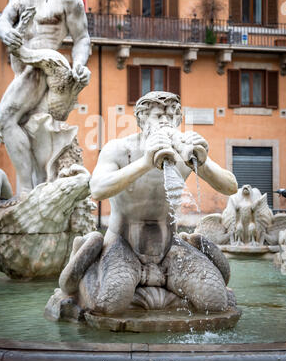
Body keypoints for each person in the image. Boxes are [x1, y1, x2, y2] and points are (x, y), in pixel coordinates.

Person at [70, 91, 238, 315]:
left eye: (172, 116)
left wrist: (203, 163)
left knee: (215, 301)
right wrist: (146, 162)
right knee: (110, 304)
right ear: (141, 119)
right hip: (124, 243)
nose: (166, 122)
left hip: (168, 248)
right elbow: (97, 189)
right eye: (159, 116)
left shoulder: (184, 150)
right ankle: (90, 267)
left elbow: (230, 187)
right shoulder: (119, 149)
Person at [0, 0, 91, 194]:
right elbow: (2, 21)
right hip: (23, 65)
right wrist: (6, 34)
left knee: (4, 120)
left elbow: (82, 39)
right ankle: (39, 188)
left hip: (43, 68)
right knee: (30, 127)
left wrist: (79, 64)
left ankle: (25, 190)